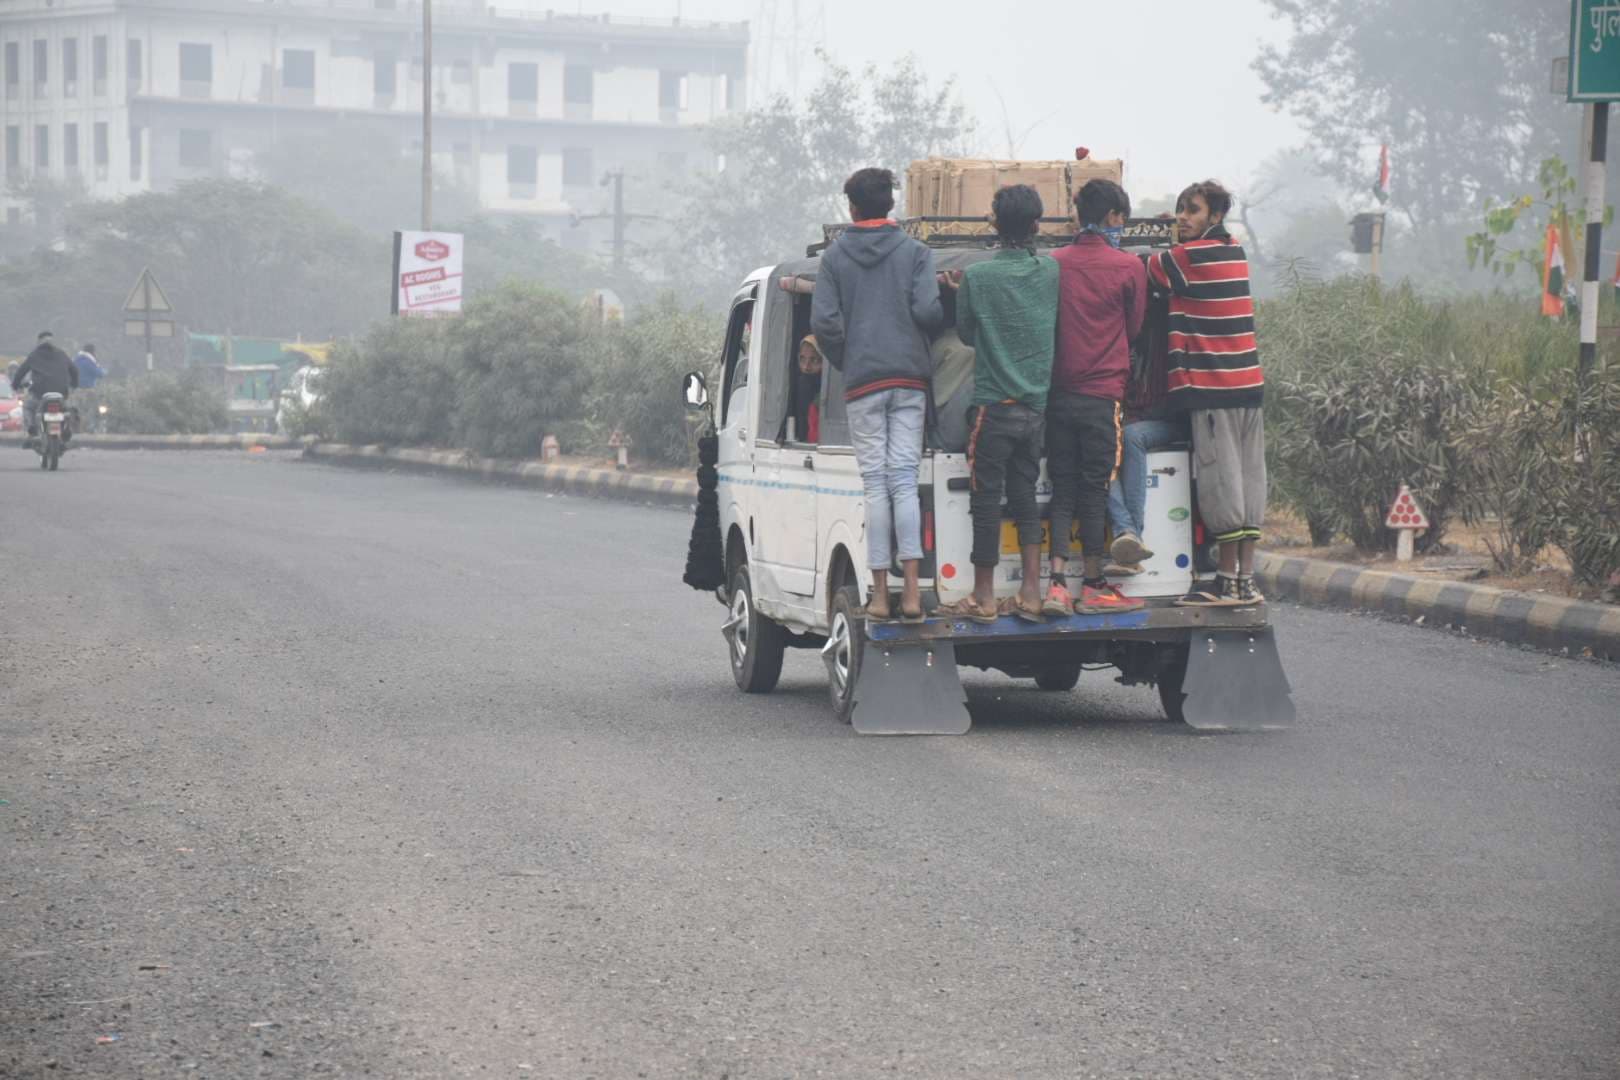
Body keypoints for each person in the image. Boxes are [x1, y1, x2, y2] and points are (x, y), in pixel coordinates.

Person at [810, 166, 944, 622]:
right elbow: (928, 309)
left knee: (876, 485)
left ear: (852, 207)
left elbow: (824, 323)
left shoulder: (834, 259)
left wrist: (852, 358)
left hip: (864, 383)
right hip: (909, 381)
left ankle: (880, 595)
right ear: (890, 205)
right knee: (904, 480)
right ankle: (911, 594)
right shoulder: (916, 253)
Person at [938, 184, 1059, 624]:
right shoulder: (1049, 274)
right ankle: (1030, 590)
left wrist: (960, 291)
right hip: (1035, 408)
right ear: (1035, 226)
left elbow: (968, 335)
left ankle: (984, 596)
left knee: (987, 500)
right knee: (1026, 496)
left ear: (994, 224)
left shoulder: (979, 277)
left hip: (993, 407)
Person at [1145, 180, 1266, 606]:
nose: (1183, 218)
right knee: (1251, 482)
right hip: (1248, 387)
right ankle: (1245, 580)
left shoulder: (1190, 256)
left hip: (1214, 389)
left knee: (1222, 483)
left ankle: (1226, 581)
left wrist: (1162, 238)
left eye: (1192, 211)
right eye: (1180, 210)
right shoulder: (1234, 250)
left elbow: (1148, 268)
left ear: (1214, 216)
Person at [1042, 179, 1148, 615]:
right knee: (1094, 487)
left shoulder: (1053, 264)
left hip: (1059, 395)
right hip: (1103, 397)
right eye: (1121, 218)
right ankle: (1093, 583)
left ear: (1076, 214)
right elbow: (1135, 328)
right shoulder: (1128, 268)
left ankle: (1055, 586)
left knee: (1063, 487)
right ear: (1111, 217)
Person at [1104, 288, 1181, 576]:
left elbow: (1165, 403)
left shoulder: (1165, 336)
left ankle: (1130, 532)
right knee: (1102, 439)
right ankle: (1128, 535)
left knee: (1131, 436)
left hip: (1164, 420)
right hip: (1129, 420)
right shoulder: (1121, 339)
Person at [11, 331, 78, 448]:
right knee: (66, 410)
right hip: (61, 393)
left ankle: (32, 428)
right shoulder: (61, 354)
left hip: (40, 394)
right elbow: (74, 371)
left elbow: (20, 372)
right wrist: (73, 385)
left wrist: (15, 385)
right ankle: (66, 427)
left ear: (39, 342)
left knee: (28, 407)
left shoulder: (34, 355)